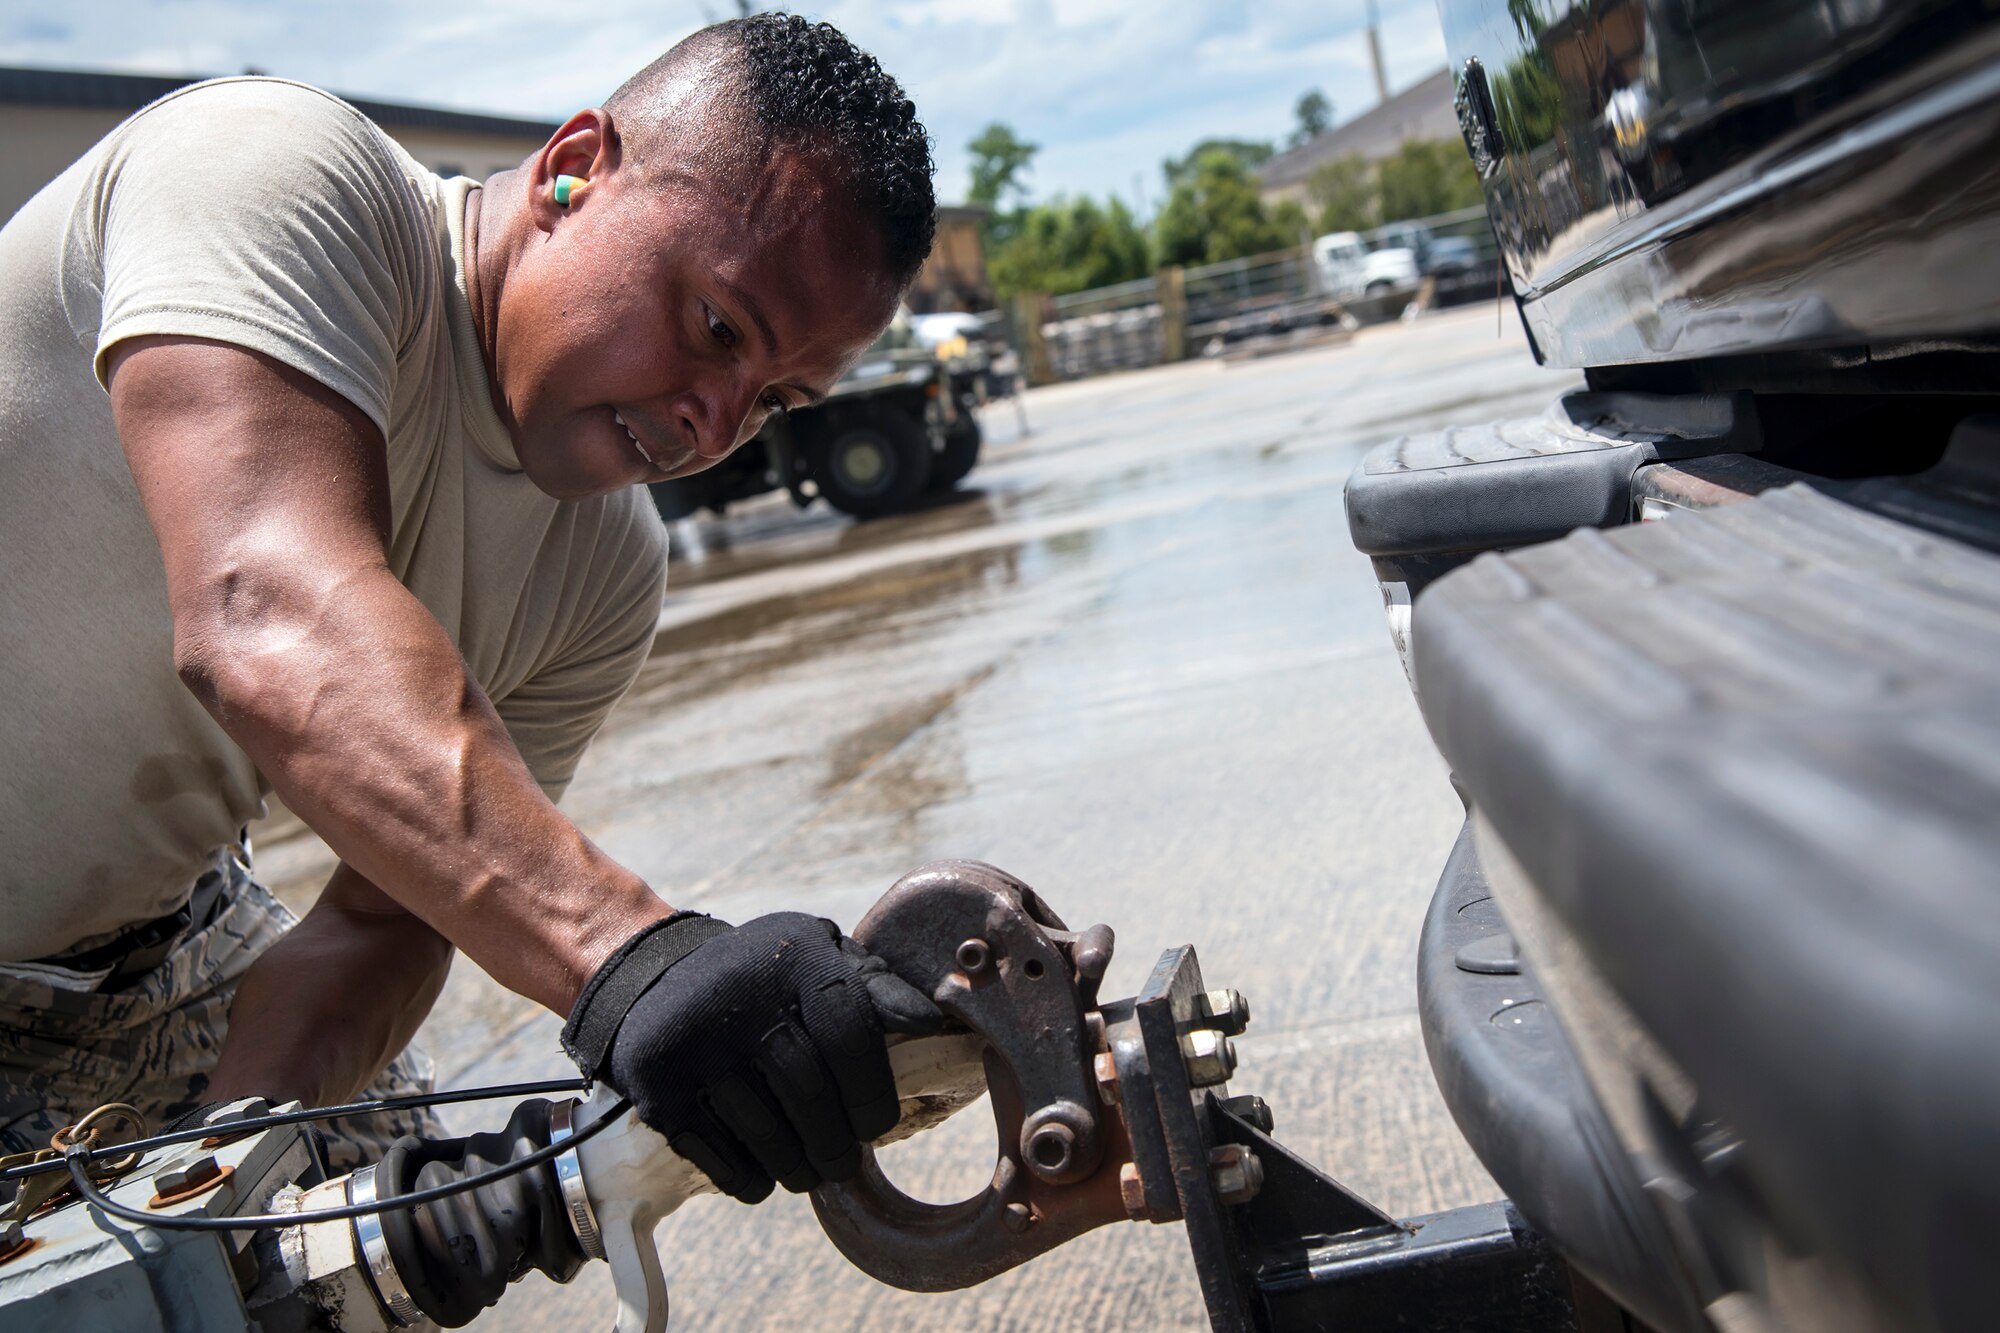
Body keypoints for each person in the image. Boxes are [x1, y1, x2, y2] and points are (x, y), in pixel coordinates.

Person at [0, 12, 944, 1204]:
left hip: (147, 945)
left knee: (357, 1202)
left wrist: (220, 1189)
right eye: (715, 326)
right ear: (572, 170)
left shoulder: (604, 572)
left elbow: (385, 923)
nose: (714, 422)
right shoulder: (275, 168)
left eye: (774, 402)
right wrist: (636, 960)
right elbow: (264, 612)